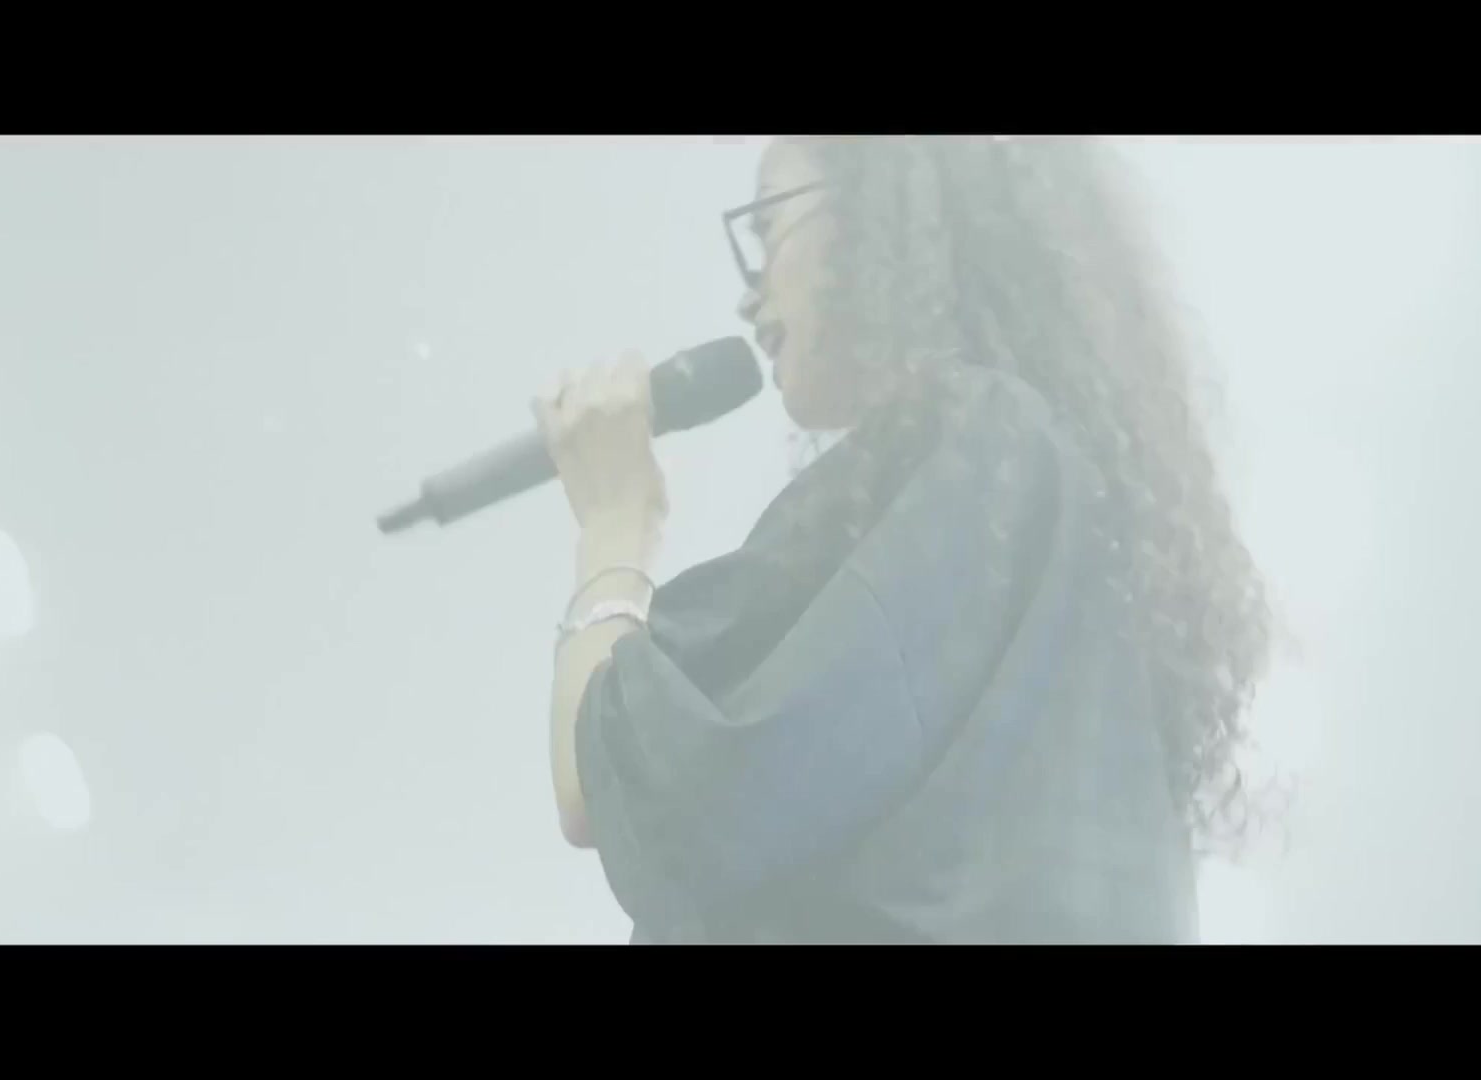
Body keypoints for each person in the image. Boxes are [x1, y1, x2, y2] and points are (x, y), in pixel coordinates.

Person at [530, 135, 1274, 944]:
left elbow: (625, 784)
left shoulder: (985, 451)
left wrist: (614, 524)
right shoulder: (1067, 536)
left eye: (769, 228)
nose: (749, 296)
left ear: (879, 204)